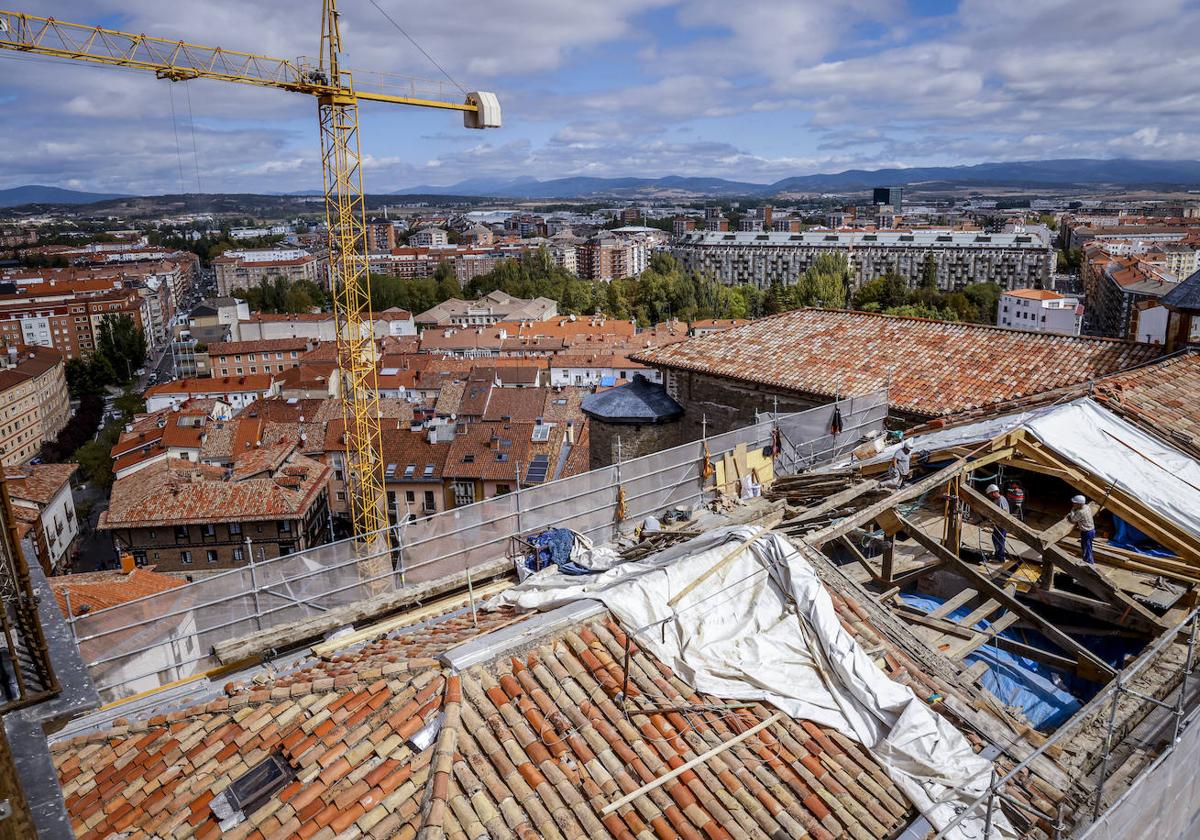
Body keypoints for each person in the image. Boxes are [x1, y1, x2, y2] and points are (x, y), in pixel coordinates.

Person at [1067, 494, 1096, 564]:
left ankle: (1089, 563)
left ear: (1079, 504)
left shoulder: (1081, 512)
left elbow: (1073, 519)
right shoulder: (1086, 507)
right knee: (1088, 546)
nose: (1073, 504)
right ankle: (1088, 560)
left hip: (1087, 532)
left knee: (1086, 547)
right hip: (1092, 530)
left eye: (1075, 503)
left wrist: (1072, 511)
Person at [986, 483, 1009, 563]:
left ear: (993, 493)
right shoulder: (998, 499)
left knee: (999, 540)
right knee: (995, 538)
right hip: (998, 524)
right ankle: (998, 554)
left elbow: (1003, 513)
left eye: (990, 495)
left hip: (1002, 525)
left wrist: (995, 521)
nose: (990, 497)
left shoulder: (1000, 500)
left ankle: (1000, 558)